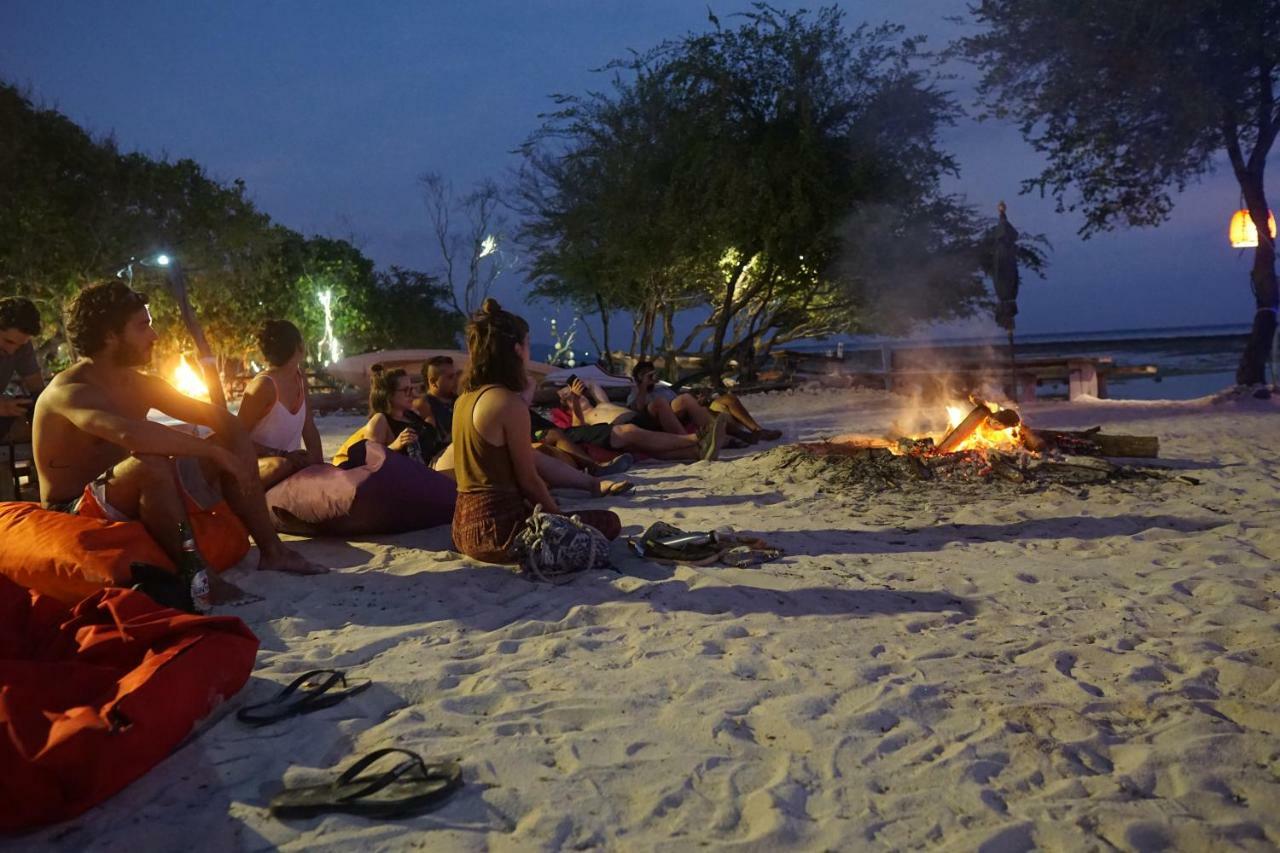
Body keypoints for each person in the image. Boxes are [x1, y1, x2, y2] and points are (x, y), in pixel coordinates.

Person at [33, 281, 323, 600]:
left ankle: (273, 551)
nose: (155, 336)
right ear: (110, 335)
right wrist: (210, 449)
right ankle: (199, 577)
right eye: (143, 327)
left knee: (224, 441)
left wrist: (235, 453)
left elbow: (221, 418)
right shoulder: (70, 392)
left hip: (126, 493)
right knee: (151, 464)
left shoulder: (140, 384)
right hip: (74, 506)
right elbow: (130, 434)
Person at [451, 298, 623, 564]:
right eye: (528, 344)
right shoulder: (506, 401)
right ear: (517, 349)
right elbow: (528, 479)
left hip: (462, 529)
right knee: (610, 522)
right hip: (498, 530)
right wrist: (558, 517)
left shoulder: (465, 398)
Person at [236, 320, 323, 490]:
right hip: (263, 469)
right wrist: (281, 455)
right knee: (280, 466)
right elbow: (236, 439)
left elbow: (309, 427)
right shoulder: (263, 386)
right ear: (300, 347)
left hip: (290, 468)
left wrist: (320, 467)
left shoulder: (300, 377)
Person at [560, 377, 726, 461]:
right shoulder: (583, 415)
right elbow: (578, 427)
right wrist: (573, 398)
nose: (577, 397)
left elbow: (592, 383)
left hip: (637, 417)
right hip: (624, 426)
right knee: (634, 430)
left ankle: (703, 437)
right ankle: (697, 440)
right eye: (568, 398)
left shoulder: (601, 404)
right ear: (567, 405)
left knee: (662, 402)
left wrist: (575, 383)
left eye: (577, 395)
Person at [629, 360, 782, 443]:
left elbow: (680, 400)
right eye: (645, 374)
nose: (650, 377)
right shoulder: (636, 392)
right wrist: (643, 384)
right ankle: (740, 435)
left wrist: (700, 400)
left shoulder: (662, 388)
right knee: (685, 399)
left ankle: (757, 430)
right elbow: (639, 410)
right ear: (638, 377)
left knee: (727, 398)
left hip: (689, 412)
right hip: (670, 418)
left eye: (651, 373)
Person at [333, 366, 445, 466]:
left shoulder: (411, 416)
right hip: (414, 478)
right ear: (389, 394)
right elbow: (371, 461)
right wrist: (395, 446)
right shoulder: (380, 420)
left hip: (431, 466)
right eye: (406, 390)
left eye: (412, 389)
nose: (412, 394)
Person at [0, 297, 47, 444]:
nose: (12, 350)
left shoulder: (23, 347)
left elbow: (37, 389)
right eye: (8, 341)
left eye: (20, 345)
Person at [413, 354, 457, 448]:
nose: (455, 380)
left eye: (455, 375)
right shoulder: (423, 405)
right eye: (450, 377)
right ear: (433, 382)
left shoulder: (459, 400)